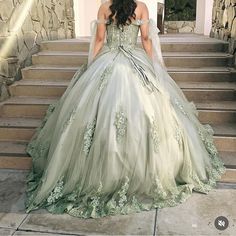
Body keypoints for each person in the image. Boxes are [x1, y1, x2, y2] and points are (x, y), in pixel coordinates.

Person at [25, 0, 226, 218]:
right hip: (134, 58)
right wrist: (155, 66)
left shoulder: (104, 7)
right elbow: (147, 39)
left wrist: (91, 66)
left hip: (108, 60)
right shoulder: (141, 7)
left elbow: (100, 39)